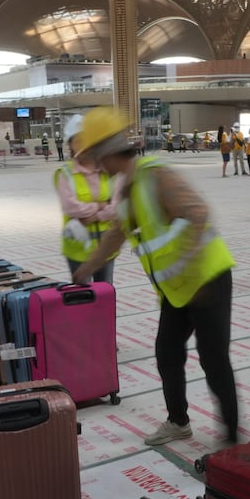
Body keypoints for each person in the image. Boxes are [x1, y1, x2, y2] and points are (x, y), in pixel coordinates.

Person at [70, 108, 238, 446]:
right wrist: (85, 271)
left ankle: (231, 437)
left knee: (213, 358)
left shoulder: (155, 176)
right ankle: (179, 422)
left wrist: (189, 265)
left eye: (93, 154)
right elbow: (117, 233)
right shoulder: (128, 186)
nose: (94, 163)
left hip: (207, 281)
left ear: (106, 151)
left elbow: (197, 213)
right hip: (177, 292)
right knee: (167, 354)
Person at [53, 112, 117, 284]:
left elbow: (117, 206)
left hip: (105, 248)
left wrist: (95, 216)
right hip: (77, 249)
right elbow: (71, 207)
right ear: (71, 145)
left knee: (105, 294)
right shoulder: (65, 173)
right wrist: (101, 206)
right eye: (77, 140)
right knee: (82, 299)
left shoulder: (108, 171)